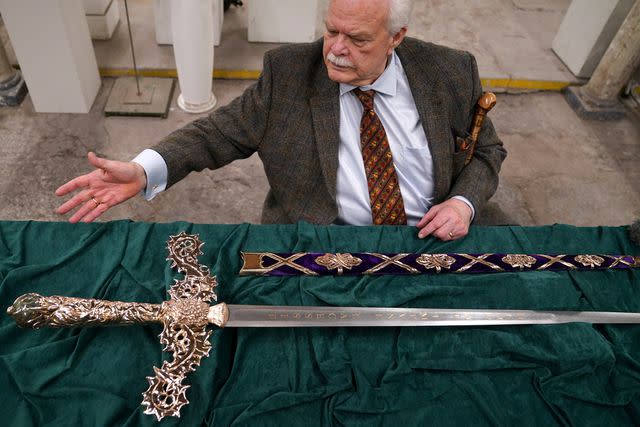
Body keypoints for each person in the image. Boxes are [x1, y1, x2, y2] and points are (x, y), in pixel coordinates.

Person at [55, 0, 506, 241]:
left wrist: (463, 204)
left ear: (396, 38)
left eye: (358, 39)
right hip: (319, 249)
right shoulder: (288, 74)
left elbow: (487, 150)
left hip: (430, 241)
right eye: (332, 30)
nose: (335, 48)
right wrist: (143, 169)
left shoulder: (450, 70)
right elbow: (215, 134)